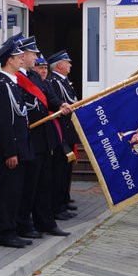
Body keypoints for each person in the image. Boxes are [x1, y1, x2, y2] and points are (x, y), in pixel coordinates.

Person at [13, 37, 70, 239]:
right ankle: (24, 224)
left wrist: (60, 105)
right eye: (33, 54)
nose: (36, 57)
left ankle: (45, 222)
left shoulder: (34, 76)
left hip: (45, 139)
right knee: (30, 186)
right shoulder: (14, 80)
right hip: (31, 139)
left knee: (44, 184)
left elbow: (48, 97)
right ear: (22, 55)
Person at [0, 39, 34, 248]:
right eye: (18, 57)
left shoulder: (12, 85)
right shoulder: (2, 86)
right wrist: (10, 152)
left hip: (20, 148)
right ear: (9, 60)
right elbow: (2, 124)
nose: (22, 59)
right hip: (11, 151)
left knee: (16, 193)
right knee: (8, 193)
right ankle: (4, 233)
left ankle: (12, 229)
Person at [46, 50, 78, 219]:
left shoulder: (63, 81)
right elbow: (61, 104)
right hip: (61, 131)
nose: (70, 65)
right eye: (68, 62)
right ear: (59, 65)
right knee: (59, 170)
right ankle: (57, 206)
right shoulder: (54, 82)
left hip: (68, 131)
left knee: (66, 169)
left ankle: (64, 200)